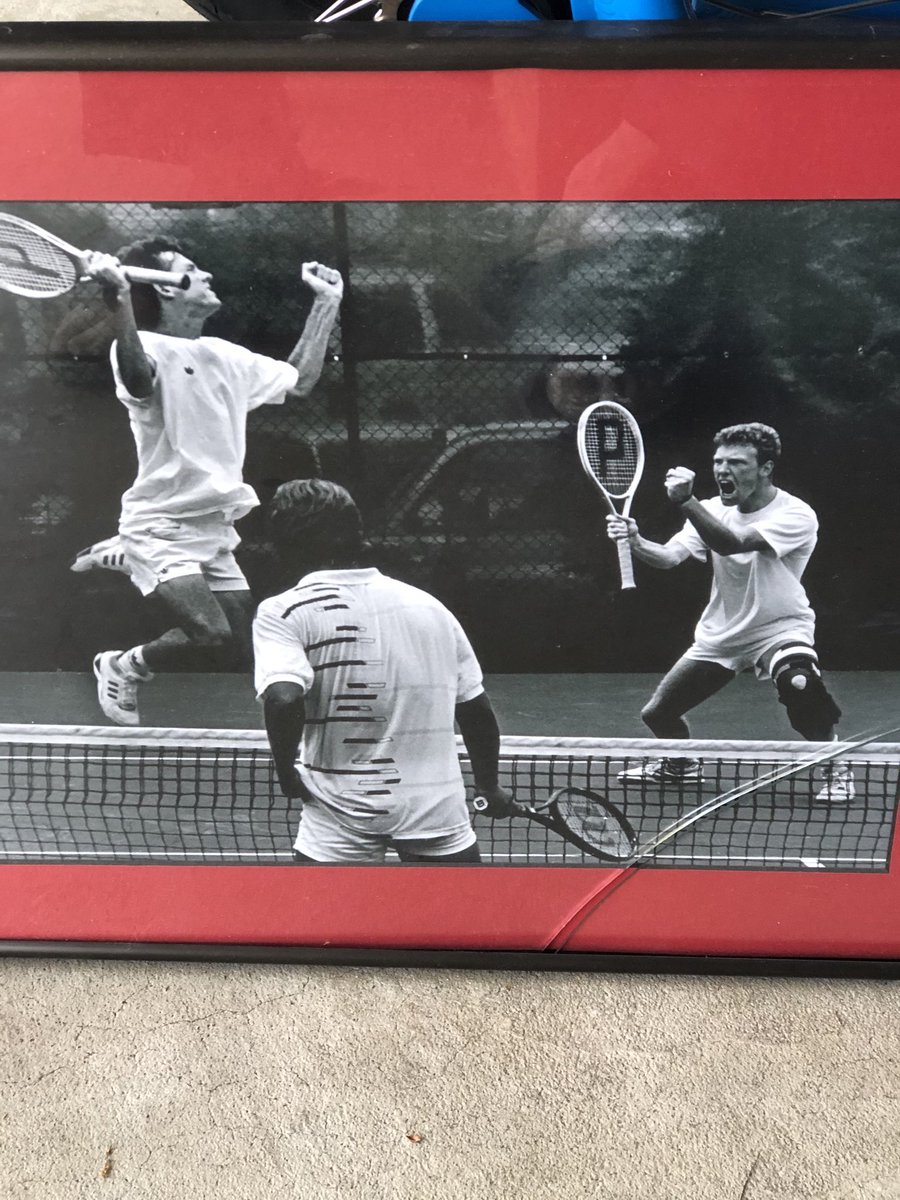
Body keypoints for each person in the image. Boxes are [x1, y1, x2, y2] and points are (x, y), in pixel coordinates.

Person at [81, 238, 343, 726]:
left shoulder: (223, 355)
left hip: (213, 524)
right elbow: (139, 381)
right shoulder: (141, 347)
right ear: (165, 289)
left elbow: (299, 380)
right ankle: (122, 652)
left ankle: (124, 632)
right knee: (210, 632)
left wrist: (327, 302)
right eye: (191, 269)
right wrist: (118, 301)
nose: (207, 276)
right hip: (159, 522)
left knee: (234, 640)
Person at [253, 478, 514, 865]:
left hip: (339, 811)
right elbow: (476, 710)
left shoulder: (283, 612)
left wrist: (285, 771)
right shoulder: (431, 608)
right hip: (435, 807)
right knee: (460, 924)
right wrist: (489, 785)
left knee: (325, 925)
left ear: (283, 544)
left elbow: (283, 697)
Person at [606, 422, 852, 802]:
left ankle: (835, 761)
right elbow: (669, 557)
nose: (723, 470)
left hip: (780, 628)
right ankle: (682, 764)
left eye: (737, 463)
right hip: (723, 634)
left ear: (766, 467)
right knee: (657, 715)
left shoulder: (796, 514)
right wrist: (636, 540)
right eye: (719, 462)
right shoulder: (711, 509)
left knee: (799, 683)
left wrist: (686, 503)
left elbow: (733, 544)